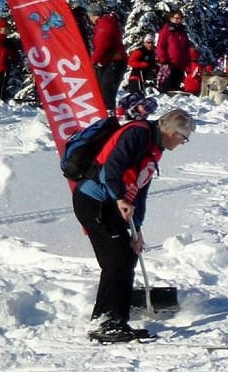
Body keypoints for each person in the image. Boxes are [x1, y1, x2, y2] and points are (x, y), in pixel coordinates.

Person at [74, 107, 195, 343]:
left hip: (112, 204)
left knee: (126, 256)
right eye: (184, 137)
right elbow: (112, 167)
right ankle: (108, 323)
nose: (183, 142)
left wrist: (137, 230)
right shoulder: (138, 134)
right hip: (95, 200)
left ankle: (112, 320)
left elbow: (139, 191)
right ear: (172, 132)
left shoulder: (154, 148)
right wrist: (120, 198)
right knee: (117, 260)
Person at [86, 4, 127, 111]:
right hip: (111, 61)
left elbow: (102, 46)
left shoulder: (104, 25)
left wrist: (92, 62)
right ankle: (106, 113)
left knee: (106, 92)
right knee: (104, 90)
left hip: (113, 62)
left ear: (94, 15)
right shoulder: (106, 22)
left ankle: (108, 116)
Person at [156, 10, 192, 92]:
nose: (178, 20)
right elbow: (161, 45)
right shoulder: (166, 30)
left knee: (176, 87)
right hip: (169, 63)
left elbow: (186, 47)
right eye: (176, 18)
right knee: (166, 87)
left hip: (180, 64)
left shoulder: (183, 32)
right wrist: (163, 59)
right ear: (171, 19)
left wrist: (187, 61)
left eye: (180, 18)